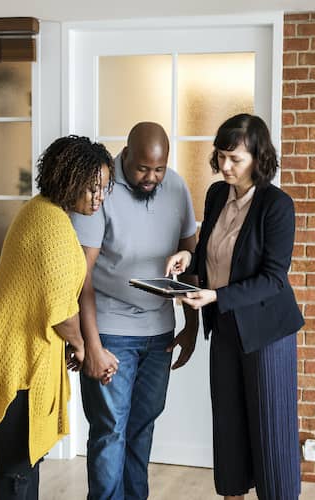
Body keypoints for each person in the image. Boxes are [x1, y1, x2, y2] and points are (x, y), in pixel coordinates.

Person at [0, 135, 118, 500]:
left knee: (22, 465)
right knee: (17, 469)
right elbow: (60, 310)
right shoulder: (51, 225)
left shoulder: (44, 212)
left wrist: (77, 346)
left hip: (17, 354)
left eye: (104, 189)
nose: (99, 197)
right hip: (11, 360)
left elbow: (52, 300)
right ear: (67, 179)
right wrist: (85, 349)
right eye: (92, 188)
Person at [165, 114, 304, 500]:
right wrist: (186, 260)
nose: (225, 166)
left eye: (235, 159)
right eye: (221, 156)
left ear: (259, 158)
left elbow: (274, 279)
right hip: (224, 327)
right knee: (228, 427)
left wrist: (217, 296)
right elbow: (213, 251)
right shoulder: (215, 194)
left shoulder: (277, 206)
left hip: (266, 335)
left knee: (271, 433)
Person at [71, 121, 200, 500]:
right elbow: (83, 276)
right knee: (110, 430)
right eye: (143, 168)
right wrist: (91, 346)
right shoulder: (100, 190)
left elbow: (190, 260)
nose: (151, 177)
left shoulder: (175, 186)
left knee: (142, 426)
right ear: (125, 154)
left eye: (158, 169)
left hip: (159, 332)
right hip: (111, 331)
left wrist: (190, 325)